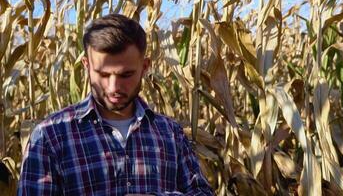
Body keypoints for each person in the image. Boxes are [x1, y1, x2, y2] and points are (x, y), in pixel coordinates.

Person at [17, 14, 213, 195]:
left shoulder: (170, 133)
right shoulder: (50, 137)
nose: (113, 87)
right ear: (86, 66)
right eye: (103, 74)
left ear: (145, 67)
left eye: (125, 75)